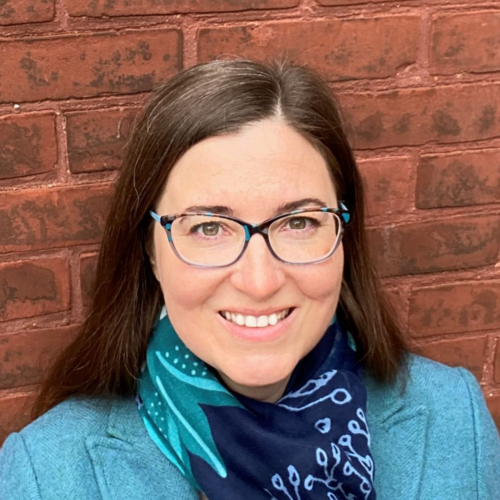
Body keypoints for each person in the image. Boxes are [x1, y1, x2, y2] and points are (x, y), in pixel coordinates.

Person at [0, 58, 499, 500]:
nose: (259, 282)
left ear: (344, 233)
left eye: (299, 222)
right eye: (209, 227)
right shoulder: (47, 471)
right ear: (149, 252)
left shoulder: (452, 415)